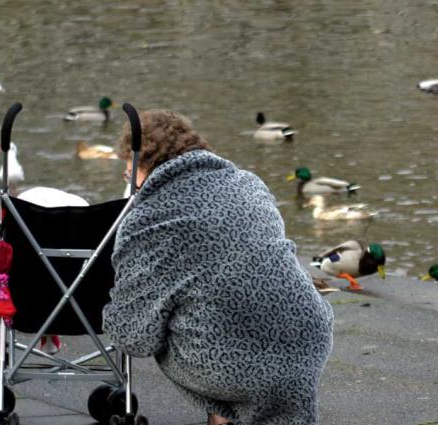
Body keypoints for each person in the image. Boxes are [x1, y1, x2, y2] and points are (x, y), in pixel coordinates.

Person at [102, 109, 334, 425]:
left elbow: (133, 337)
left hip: (231, 364)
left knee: (179, 323)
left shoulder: (147, 218)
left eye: (129, 172)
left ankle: (222, 416)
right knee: (218, 301)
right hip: (308, 338)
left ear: (144, 165)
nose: (128, 180)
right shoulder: (249, 182)